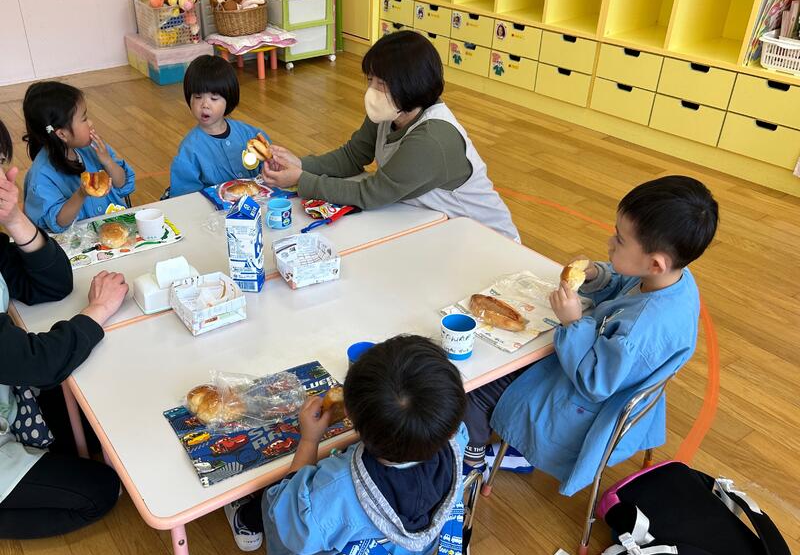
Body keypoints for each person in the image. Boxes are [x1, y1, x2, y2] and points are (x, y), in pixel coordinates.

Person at [464, 175, 719, 496]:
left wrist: (574, 323)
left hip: (581, 406)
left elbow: (594, 382)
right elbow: (627, 283)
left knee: (476, 389)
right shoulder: (671, 278)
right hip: (609, 384)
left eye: (620, 240)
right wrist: (599, 275)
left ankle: (472, 461)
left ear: (655, 263)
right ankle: (514, 450)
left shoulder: (639, 330)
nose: (610, 243)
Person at [225, 336, 468, 555]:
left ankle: (245, 519)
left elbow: (290, 523)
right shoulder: (458, 439)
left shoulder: (336, 487)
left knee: (274, 497)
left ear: (349, 414)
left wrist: (309, 440)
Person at [261, 31, 520, 241]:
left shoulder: (432, 138)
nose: (372, 91)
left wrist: (301, 179)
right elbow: (352, 156)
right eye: (370, 80)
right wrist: (301, 164)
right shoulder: (391, 111)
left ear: (410, 85)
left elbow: (372, 194)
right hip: (436, 223)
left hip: (486, 240)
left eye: (381, 84)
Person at [0, 118, 128, 538]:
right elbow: (37, 363)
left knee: (94, 429)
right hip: (14, 390)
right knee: (102, 490)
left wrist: (15, 220)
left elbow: (52, 285)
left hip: (9, 397)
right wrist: (97, 311)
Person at [22, 81, 135, 233]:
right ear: (62, 134)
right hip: (79, 239)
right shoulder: (41, 175)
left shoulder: (93, 149)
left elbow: (122, 184)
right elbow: (59, 221)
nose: (90, 122)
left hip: (115, 229)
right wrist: (82, 193)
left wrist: (108, 161)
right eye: (84, 118)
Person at [169, 55, 271, 198]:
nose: (205, 104)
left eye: (214, 98)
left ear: (228, 99)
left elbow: (270, 170)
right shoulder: (189, 149)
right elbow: (184, 197)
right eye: (198, 97)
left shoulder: (250, 134)